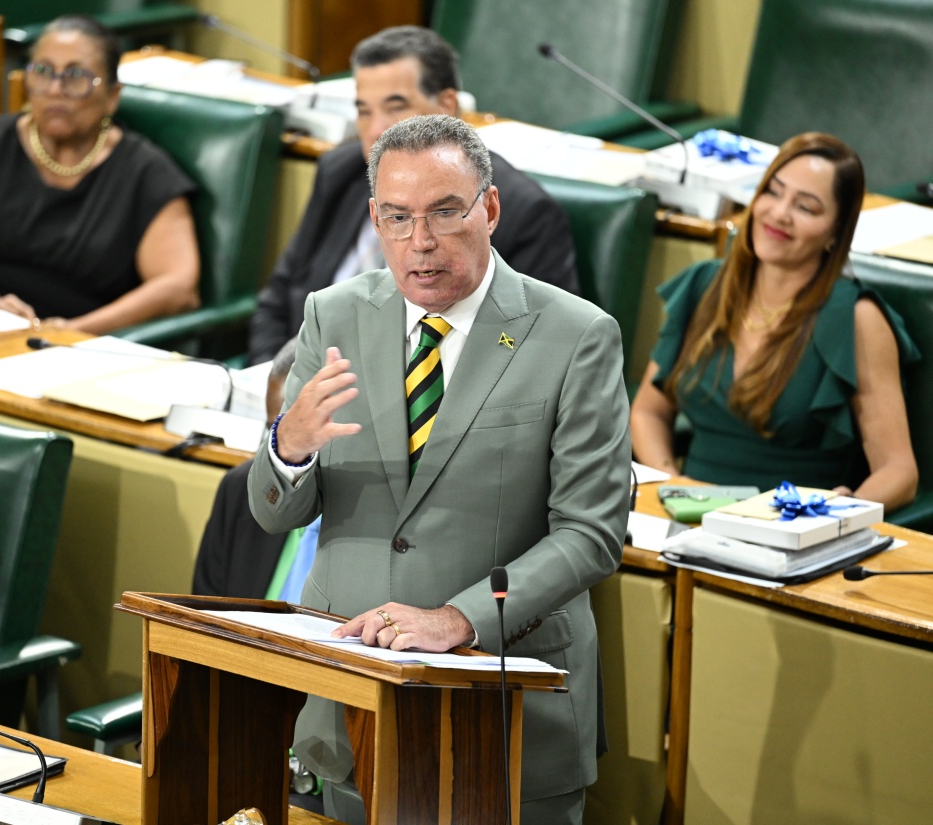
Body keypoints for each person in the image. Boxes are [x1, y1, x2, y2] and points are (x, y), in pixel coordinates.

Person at [248, 115, 630, 825]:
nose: (419, 242)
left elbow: (592, 533)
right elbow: (274, 511)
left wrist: (460, 618)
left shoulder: (577, 336)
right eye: (397, 218)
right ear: (375, 219)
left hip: (503, 706)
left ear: (488, 208)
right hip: (354, 703)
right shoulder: (332, 316)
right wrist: (288, 445)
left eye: (444, 213)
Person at [248, 25, 579, 365]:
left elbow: (535, 352)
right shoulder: (340, 171)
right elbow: (279, 300)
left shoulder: (524, 211)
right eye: (364, 111)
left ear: (447, 105)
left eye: (395, 107)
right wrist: (275, 385)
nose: (376, 130)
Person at [630, 132, 919, 511]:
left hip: (787, 530)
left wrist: (839, 513)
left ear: (835, 234)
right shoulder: (706, 285)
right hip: (683, 514)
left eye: (806, 207)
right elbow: (649, 410)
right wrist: (671, 483)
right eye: (773, 192)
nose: (779, 213)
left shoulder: (857, 318)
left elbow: (899, 472)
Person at [0, 15, 201, 335]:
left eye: (76, 76)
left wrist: (70, 332)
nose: (55, 89)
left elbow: (177, 287)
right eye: (43, 72)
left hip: (81, 345)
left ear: (112, 95)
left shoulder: (146, 174)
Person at [192, 337, 316, 601]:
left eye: (300, 432)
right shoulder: (239, 489)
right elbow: (204, 616)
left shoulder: (380, 517)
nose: (286, 449)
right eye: (275, 429)